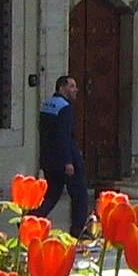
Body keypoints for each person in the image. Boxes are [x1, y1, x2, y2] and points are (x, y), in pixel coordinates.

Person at [38, 74, 90, 236]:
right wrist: (69, 162)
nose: (76, 90)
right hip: (67, 159)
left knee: (52, 194)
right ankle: (78, 230)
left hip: (49, 159)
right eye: (72, 86)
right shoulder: (65, 108)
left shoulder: (46, 105)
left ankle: (31, 219)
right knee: (80, 194)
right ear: (62, 88)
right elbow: (64, 136)